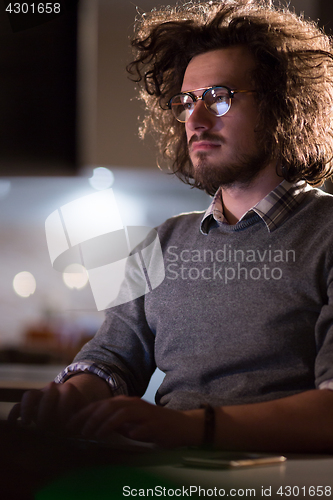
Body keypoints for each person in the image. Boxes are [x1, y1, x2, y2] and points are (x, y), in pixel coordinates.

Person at [10, 0, 333, 452]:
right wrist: (70, 399)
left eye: (219, 98)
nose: (195, 121)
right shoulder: (162, 242)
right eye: (185, 102)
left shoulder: (326, 233)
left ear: (285, 106)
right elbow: (113, 357)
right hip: (169, 472)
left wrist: (190, 429)